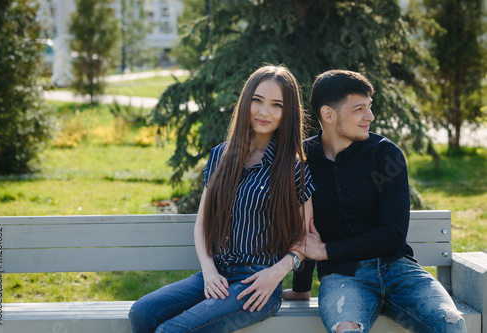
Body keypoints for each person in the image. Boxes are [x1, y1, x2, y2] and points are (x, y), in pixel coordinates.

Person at [128, 64, 316, 333]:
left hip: (257, 284)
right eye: (257, 101)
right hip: (217, 273)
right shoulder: (221, 156)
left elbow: (304, 239)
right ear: (245, 102)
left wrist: (275, 275)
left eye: (277, 105)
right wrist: (208, 271)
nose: (264, 112)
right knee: (142, 313)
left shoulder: (294, 168)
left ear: (288, 114)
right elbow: (203, 223)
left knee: (171, 331)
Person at [284, 70, 467, 333]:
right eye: (359, 109)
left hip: (399, 271)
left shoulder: (386, 155)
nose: (369, 117)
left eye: (369, 107)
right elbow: (306, 230)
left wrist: (326, 251)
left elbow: (392, 235)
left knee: (451, 324)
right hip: (343, 278)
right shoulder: (303, 159)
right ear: (328, 114)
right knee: (347, 329)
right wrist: (302, 288)